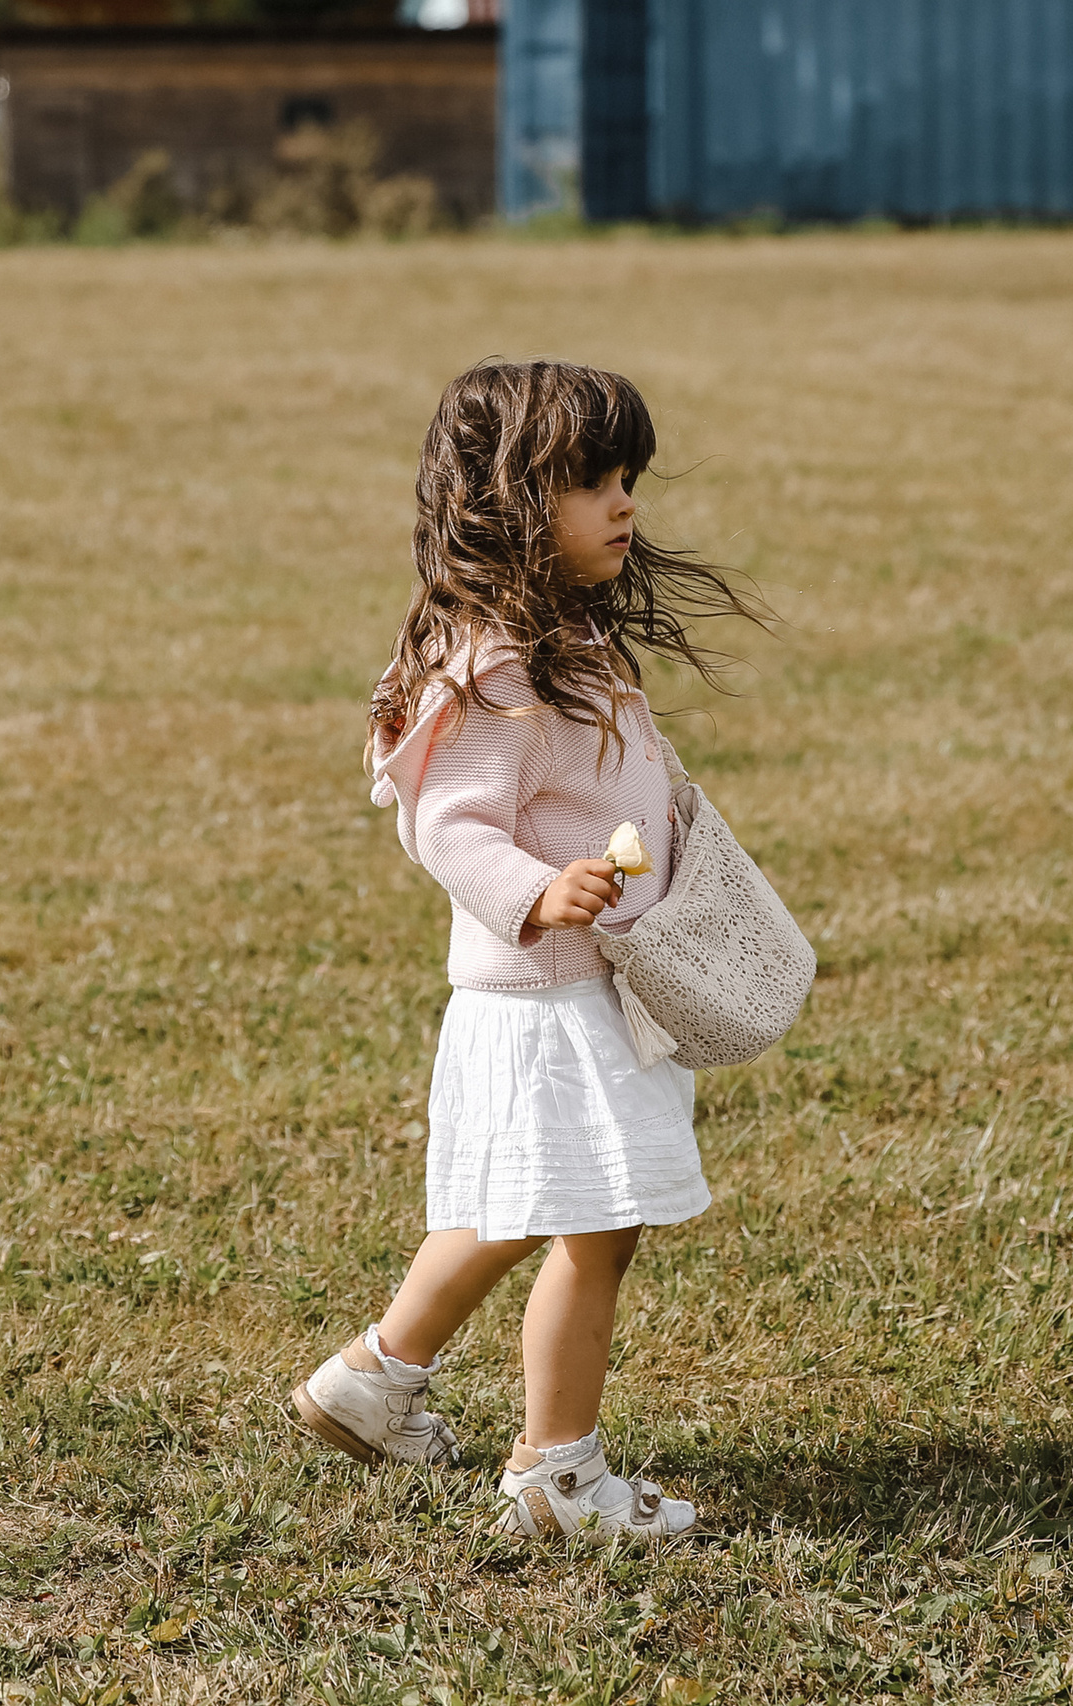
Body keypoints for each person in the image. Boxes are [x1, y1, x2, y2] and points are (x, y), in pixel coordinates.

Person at [291, 360, 770, 1540]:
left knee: (515, 1206)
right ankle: (559, 1476)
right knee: (595, 1225)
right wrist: (534, 888)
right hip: (555, 994)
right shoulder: (499, 663)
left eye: (628, 480)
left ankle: (372, 1378)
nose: (624, 505)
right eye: (594, 482)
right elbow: (446, 820)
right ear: (508, 503)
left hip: (564, 990)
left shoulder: (556, 636)